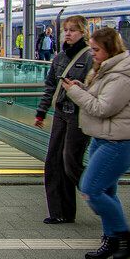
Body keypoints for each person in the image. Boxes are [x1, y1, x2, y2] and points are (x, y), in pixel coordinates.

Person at [62, 26, 130, 259]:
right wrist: (82, 88)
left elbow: (102, 108)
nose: (93, 53)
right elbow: (101, 98)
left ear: (110, 49)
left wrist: (75, 93)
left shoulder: (122, 75)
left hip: (120, 143)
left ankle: (124, 234)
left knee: (90, 188)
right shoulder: (107, 68)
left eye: (96, 49)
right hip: (103, 138)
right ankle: (111, 239)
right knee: (107, 190)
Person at [34, 16, 93, 225]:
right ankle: (60, 212)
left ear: (83, 32)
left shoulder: (90, 58)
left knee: (70, 161)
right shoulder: (59, 57)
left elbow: (96, 89)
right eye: (66, 30)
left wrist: (80, 88)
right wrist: (41, 112)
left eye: (73, 30)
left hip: (79, 115)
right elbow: (51, 86)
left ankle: (97, 193)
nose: (68, 34)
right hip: (61, 113)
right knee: (53, 162)